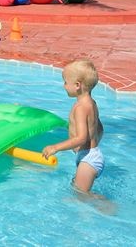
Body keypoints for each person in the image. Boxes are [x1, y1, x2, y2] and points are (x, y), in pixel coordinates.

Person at [42, 59, 106, 194]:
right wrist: (93, 147)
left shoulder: (80, 108)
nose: (64, 86)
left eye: (65, 82)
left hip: (88, 160)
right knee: (76, 189)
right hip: (91, 156)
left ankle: (108, 208)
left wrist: (55, 147)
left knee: (81, 196)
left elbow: (81, 138)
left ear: (77, 85)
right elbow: (99, 129)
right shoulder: (91, 103)